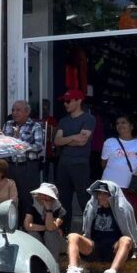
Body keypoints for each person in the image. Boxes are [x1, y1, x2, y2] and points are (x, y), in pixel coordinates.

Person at [62, 181, 137, 273]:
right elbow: (86, 230)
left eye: (105, 194)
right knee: (73, 236)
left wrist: (136, 247)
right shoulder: (92, 206)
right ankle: (74, 271)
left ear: (112, 195)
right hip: (95, 247)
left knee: (126, 239)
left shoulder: (124, 208)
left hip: (115, 248)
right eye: (99, 193)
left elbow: (132, 230)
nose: (101, 197)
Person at [54, 89, 95, 220]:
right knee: (63, 201)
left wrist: (65, 140)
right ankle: (64, 232)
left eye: (68, 101)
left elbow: (82, 141)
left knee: (84, 199)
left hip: (80, 164)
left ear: (79, 101)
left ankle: (89, 232)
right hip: (63, 164)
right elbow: (56, 141)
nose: (65, 104)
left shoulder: (89, 119)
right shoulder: (63, 120)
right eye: (64, 101)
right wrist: (74, 137)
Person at [2, 99, 45, 220]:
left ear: (27, 112)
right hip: (10, 166)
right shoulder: (8, 124)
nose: (14, 113)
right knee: (11, 197)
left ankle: (28, 226)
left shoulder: (35, 126)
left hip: (27, 167)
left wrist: (18, 142)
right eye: (13, 110)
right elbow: (4, 145)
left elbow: (38, 147)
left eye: (18, 110)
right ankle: (13, 224)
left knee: (28, 198)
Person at [101, 114, 137, 216]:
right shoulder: (109, 142)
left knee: (131, 215)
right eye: (117, 123)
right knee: (110, 216)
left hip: (133, 187)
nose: (120, 125)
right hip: (111, 185)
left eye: (123, 122)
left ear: (131, 126)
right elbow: (103, 163)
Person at [23, 183, 65, 262]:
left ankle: (52, 264)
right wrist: (45, 228)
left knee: (50, 234)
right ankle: (36, 265)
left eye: (46, 195)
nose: (42, 197)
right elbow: (27, 225)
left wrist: (49, 209)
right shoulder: (32, 205)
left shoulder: (60, 210)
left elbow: (50, 228)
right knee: (33, 234)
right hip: (38, 238)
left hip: (55, 243)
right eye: (41, 194)